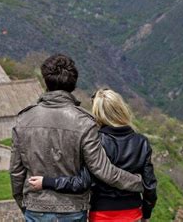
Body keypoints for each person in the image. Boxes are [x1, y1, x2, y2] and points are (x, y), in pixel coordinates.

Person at [9, 54, 144, 222]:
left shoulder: (24, 119)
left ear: (46, 82)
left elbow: (16, 171)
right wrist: (138, 182)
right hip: (72, 209)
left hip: (36, 208)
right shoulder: (85, 122)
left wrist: (24, 203)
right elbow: (103, 170)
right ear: (73, 84)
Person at [29, 88, 157, 222]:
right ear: (121, 109)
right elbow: (150, 186)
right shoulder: (142, 142)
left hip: (102, 213)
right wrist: (146, 214)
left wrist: (47, 182)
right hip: (133, 212)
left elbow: (82, 182)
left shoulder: (96, 141)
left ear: (98, 114)